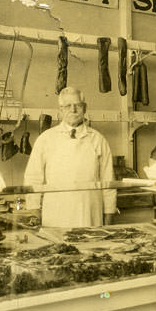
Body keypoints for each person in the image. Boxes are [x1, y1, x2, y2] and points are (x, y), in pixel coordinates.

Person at [24, 87, 116, 227]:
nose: (73, 110)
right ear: (60, 110)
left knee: (91, 246)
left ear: (84, 108)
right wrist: (34, 211)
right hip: (56, 213)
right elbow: (33, 178)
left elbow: (108, 182)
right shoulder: (46, 139)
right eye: (67, 106)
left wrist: (109, 218)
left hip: (89, 212)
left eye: (77, 105)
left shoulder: (98, 140)